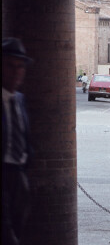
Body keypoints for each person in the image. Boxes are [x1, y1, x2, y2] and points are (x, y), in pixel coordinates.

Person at [2, 38, 33, 245]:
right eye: (10, 66)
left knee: (18, 225)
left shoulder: (19, 99)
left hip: (19, 174)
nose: (16, 72)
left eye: (20, 67)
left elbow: (23, 134)